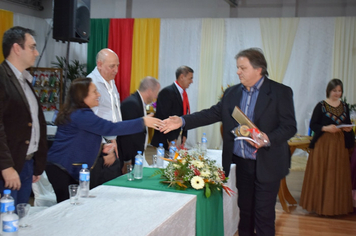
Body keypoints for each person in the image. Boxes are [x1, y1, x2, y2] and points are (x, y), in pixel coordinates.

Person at [161, 48, 296, 236]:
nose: (238, 72)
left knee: (264, 215)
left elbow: (290, 127)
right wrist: (182, 120)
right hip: (242, 164)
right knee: (245, 212)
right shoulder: (232, 93)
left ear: (259, 69)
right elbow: (212, 113)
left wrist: (267, 138)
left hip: (268, 164)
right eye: (237, 67)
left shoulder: (280, 92)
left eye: (243, 68)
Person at [46, 78, 162, 202]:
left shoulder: (81, 113)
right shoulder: (81, 115)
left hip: (64, 166)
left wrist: (101, 148)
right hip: (62, 168)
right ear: (83, 95)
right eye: (95, 92)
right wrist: (142, 121)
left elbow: (80, 139)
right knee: (67, 207)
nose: (99, 95)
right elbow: (109, 128)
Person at [0, 26, 47, 205]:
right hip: (9, 167)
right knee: (7, 223)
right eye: (32, 47)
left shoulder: (24, 80)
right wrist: (6, 167)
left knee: (20, 219)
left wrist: (38, 163)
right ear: (17, 48)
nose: (36, 53)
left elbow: (34, 123)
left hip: (27, 163)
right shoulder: (2, 77)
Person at [300, 78, 354, 216]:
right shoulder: (321, 105)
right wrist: (326, 128)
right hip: (323, 145)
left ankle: (336, 207)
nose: (337, 93)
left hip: (339, 145)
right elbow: (313, 125)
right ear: (329, 90)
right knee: (323, 174)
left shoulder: (345, 106)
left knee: (338, 174)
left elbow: (346, 123)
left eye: (339, 91)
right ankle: (320, 207)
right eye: (334, 90)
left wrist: (348, 129)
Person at [87, 48, 122, 188]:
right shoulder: (91, 84)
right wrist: (105, 147)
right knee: (101, 189)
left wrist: (113, 140)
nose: (116, 70)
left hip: (111, 142)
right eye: (112, 66)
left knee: (113, 187)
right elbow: (90, 121)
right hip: (101, 147)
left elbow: (112, 112)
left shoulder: (110, 81)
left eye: (117, 65)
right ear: (99, 64)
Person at [119, 76, 160, 173]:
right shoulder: (131, 104)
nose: (156, 97)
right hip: (131, 157)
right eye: (156, 92)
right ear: (149, 91)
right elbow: (126, 134)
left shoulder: (138, 102)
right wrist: (127, 160)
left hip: (138, 154)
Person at [151, 66, 193, 151]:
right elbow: (163, 117)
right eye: (190, 78)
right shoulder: (167, 92)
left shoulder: (183, 94)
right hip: (167, 140)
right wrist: (171, 139)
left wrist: (184, 134)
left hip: (178, 137)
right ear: (182, 77)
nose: (191, 81)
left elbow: (185, 114)